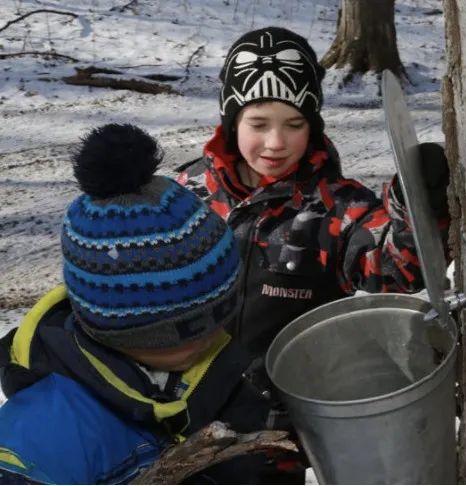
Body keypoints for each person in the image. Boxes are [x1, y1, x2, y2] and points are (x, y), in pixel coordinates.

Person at [0, 124, 285, 485]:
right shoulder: (42, 440)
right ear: (118, 327)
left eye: (219, 317)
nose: (211, 337)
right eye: (186, 331)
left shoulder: (200, 374)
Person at [177, 26, 450, 359]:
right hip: (189, 402)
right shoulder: (185, 195)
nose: (276, 143)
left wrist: (415, 204)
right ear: (233, 123)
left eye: (294, 124)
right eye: (259, 124)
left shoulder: (337, 207)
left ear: (312, 125)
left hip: (289, 402)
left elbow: (397, 271)